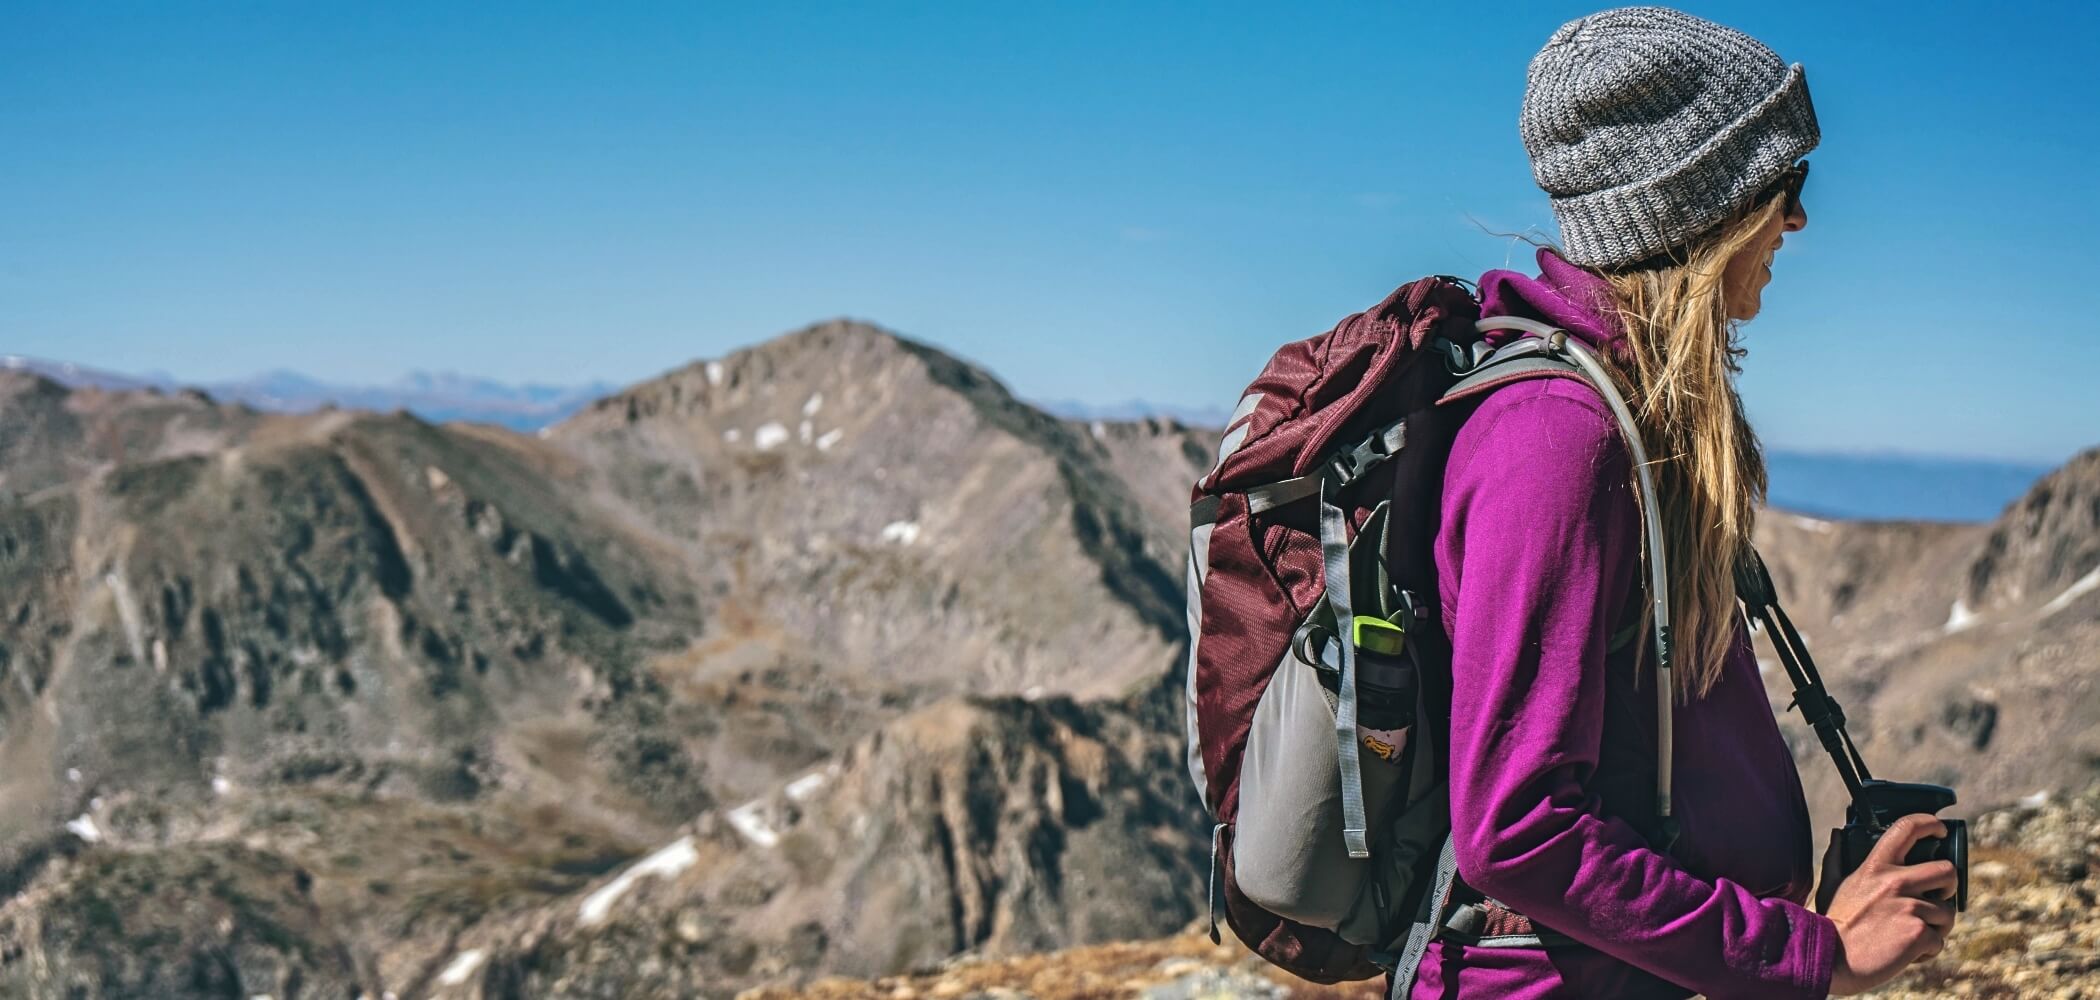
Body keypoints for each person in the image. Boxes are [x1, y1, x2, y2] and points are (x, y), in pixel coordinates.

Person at [1415, 7, 1959, 997]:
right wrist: (1809, 954)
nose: (1797, 222)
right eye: (1784, 188)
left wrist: (1781, 911)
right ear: (1704, 207)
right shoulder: (1558, 437)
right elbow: (1516, 829)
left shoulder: (1630, 417)